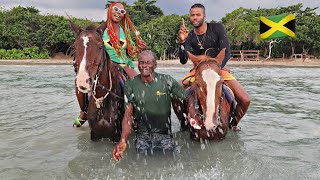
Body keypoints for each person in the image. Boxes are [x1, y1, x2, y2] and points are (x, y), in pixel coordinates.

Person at [73, 2, 147, 127]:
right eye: (116, 9)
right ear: (110, 10)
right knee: (80, 84)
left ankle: (137, 116)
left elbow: (130, 52)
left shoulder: (126, 32)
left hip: (124, 64)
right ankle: (84, 111)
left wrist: (141, 49)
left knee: (141, 85)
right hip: (106, 64)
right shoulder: (100, 31)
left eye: (122, 11)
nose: (119, 13)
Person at [178, 3, 250, 130]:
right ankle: (184, 125)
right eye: (192, 15)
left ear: (204, 16)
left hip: (219, 70)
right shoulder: (189, 36)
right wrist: (182, 42)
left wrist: (216, 69)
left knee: (245, 99)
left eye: (198, 15)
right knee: (175, 96)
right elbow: (183, 60)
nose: (195, 17)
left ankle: (233, 124)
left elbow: (226, 51)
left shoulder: (217, 28)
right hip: (197, 72)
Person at [112, 50, 189, 161]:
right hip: (142, 136)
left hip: (165, 136)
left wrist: (195, 114)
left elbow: (187, 98)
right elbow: (128, 115)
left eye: (148, 62)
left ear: (155, 65)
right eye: (141, 62)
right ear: (138, 64)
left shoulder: (167, 81)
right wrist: (123, 140)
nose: (144, 66)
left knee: (169, 164)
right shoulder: (131, 84)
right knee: (142, 166)